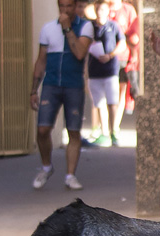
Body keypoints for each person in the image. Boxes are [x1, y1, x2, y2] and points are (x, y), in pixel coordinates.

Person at [31, 0, 93, 191]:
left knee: (73, 131)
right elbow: (41, 60)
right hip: (51, 84)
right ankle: (46, 167)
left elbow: (80, 53)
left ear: (75, 6)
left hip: (73, 85)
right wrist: (33, 90)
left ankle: (70, 175)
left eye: (69, 6)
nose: (65, 10)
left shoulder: (85, 27)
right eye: (62, 6)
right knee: (42, 130)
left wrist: (67, 29)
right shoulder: (48, 28)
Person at [86, 0, 126, 146]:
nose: (100, 12)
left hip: (110, 69)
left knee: (112, 102)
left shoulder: (113, 26)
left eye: (102, 9)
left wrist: (110, 55)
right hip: (94, 70)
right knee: (99, 103)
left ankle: (114, 130)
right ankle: (104, 132)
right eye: (97, 9)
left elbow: (122, 44)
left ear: (108, 10)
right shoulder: (89, 27)